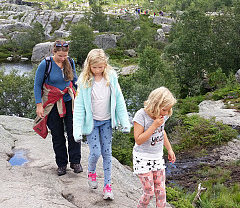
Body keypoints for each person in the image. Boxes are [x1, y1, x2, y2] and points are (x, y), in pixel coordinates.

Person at [73, 49, 130, 200]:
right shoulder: (84, 81)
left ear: (105, 64)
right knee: (96, 152)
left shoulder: (111, 78)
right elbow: (78, 108)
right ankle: (91, 171)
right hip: (91, 124)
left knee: (107, 154)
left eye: (100, 67)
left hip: (106, 122)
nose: (98, 70)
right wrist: (77, 130)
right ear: (89, 66)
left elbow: (119, 101)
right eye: (94, 67)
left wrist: (125, 122)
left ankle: (107, 186)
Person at [33, 40, 81, 176]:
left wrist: (83, 92)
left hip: (68, 101)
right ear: (54, 52)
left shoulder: (69, 62)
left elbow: (74, 80)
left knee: (74, 131)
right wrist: (39, 105)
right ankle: (61, 164)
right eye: (60, 56)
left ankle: (75, 161)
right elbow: (37, 85)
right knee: (57, 134)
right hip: (52, 103)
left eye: (65, 55)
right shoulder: (46, 64)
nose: (63, 58)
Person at [133, 87, 177, 208]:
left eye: (169, 110)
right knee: (149, 192)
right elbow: (138, 139)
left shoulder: (163, 115)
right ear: (156, 105)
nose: (167, 113)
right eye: (164, 109)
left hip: (157, 158)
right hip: (142, 159)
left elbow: (162, 132)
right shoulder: (141, 115)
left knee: (161, 192)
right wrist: (154, 125)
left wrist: (169, 149)